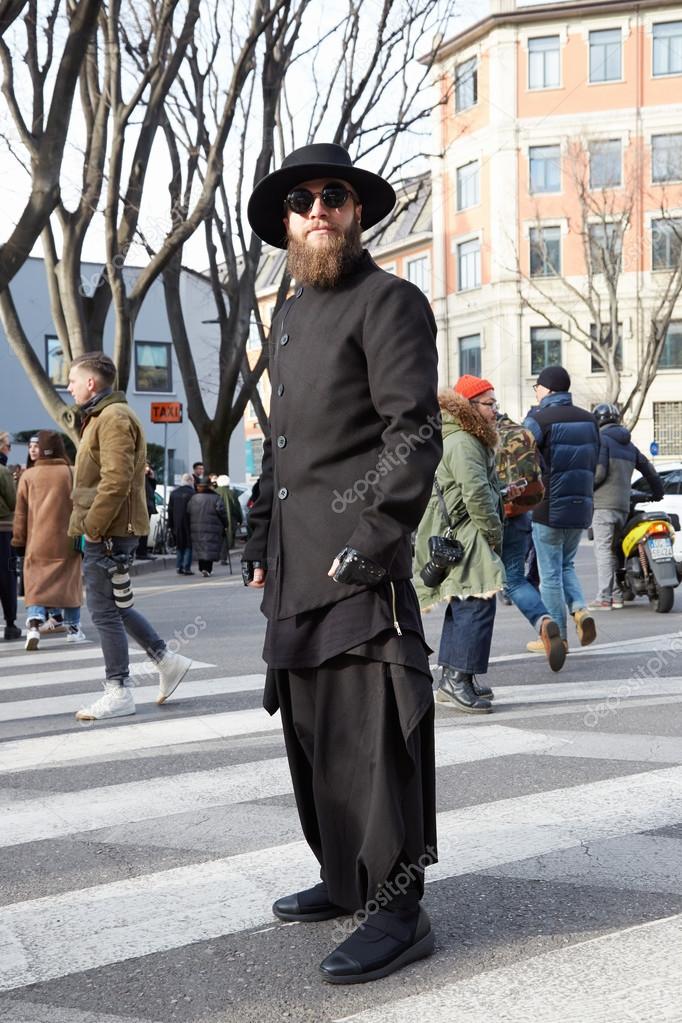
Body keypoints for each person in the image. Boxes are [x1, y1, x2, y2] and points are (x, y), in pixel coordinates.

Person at [243, 142, 441, 983]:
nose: (317, 208)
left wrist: (372, 535)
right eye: (301, 199)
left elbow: (414, 432)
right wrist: (258, 534)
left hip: (358, 562)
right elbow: (280, 449)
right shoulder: (286, 314)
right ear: (287, 223)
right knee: (315, 736)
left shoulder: (388, 301)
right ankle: (342, 875)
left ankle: (399, 905)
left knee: (371, 735)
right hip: (294, 568)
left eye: (333, 194)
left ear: (356, 210)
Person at [66, 352, 191, 720]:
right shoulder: (103, 417)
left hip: (108, 531)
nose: (69, 386)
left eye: (73, 379)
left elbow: (117, 479)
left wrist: (93, 527)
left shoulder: (113, 418)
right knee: (115, 607)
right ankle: (166, 660)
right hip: (110, 529)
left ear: (91, 382)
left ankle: (119, 690)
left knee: (103, 612)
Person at [414, 376, 505, 713]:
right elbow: (477, 494)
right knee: (476, 605)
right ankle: (456, 680)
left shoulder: (459, 436)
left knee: (465, 603)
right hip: (467, 531)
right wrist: (493, 534)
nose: (495, 411)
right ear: (469, 406)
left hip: (460, 529)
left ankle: (456, 677)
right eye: (489, 404)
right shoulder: (465, 441)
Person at [523, 366, 599, 654]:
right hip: (581, 508)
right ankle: (580, 610)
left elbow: (520, 458)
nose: (537, 392)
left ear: (548, 390)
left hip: (548, 508)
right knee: (566, 565)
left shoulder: (538, 420)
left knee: (550, 573)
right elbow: (594, 463)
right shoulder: (590, 420)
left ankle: (558, 638)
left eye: (538, 387)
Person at [496, 411, 565, 672]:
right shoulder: (522, 431)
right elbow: (542, 471)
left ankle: (462, 669)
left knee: (472, 589)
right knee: (514, 579)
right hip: (520, 515)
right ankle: (543, 619)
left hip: (489, 515)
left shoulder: (474, 434)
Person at [10, 431, 85, 649]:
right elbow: (82, 507)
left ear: (40, 450)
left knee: (35, 583)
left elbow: (21, 515)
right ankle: (73, 628)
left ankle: (34, 625)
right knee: (70, 584)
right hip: (68, 540)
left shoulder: (29, 476)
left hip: (37, 540)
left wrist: (18, 541)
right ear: (61, 448)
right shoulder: (73, 472)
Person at [589, 403, 663, 610]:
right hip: (623, 507)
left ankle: (604, 597)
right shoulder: (629, 445)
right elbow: (650, 470)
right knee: (613, 551)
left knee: (603, 551)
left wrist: (587, 489)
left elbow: (600, 472)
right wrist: (658, 493)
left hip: (603, 505)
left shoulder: (601, 441)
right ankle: (617, 596)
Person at [0, 430, 21, 641]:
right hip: (4, 530)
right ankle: (10, 623)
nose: (9, 448)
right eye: (7, 445)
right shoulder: (3, 472)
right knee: (7, 576)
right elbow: (14, 502)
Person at [188, 477, 228, 576]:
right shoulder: (216, 497)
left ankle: (202, 568)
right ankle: (208, 569)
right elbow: (222, 512)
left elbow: (188, 511)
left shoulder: (194, 498)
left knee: (200, 547)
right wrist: (225, 524)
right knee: (210, 547)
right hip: (213, 526)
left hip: (196, 527)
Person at [168, 472, 195, 575]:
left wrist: (170, 524)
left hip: (177, 522)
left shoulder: (174, 493)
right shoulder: (192, 493)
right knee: (188, 544)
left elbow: (170, 510)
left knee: (179, 544)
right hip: (189, 522)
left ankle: (179, 566)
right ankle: (186, 567)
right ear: (190, 481)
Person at [215, 474, 243, 564]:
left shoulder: (214, 492)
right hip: (231, 519)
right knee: (226, 538)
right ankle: (223, 557)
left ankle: (218, 556)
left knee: (218, 537)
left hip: (217, 519)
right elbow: (237, 508)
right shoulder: (232, 493)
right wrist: (240, 519)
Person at [135, 463, 157, 560]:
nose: (147, 469)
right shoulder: (138, 477)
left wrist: (152, 478)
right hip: (142, 506)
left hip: (148, 506)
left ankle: (143, 551)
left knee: (146, 530)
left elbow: (153, 488)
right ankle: (140, 552)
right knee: (141, 530)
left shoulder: (147, 479)